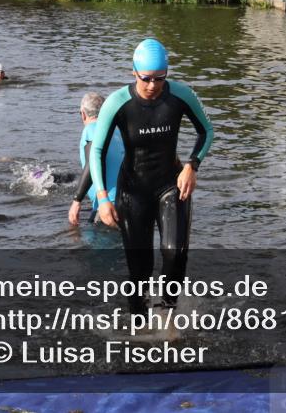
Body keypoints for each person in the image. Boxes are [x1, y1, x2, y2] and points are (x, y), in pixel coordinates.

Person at [90, 38, 213, 313]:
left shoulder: (180, 96)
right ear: (133, 72)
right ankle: (139, 324)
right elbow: (97, 150)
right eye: (146, 78)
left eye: (160, 78)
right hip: (133, 191)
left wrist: (193, 165)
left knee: (175, 254)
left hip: (172, 184)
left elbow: (206, 131)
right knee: (140, 268)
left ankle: (168, 315)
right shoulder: (118, 102)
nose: (152, 86)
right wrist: (102, 198)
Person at [69, 93, 126, 226]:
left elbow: (93, 162)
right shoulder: (117, 131)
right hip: (128, 199)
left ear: (83, 114)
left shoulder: (91, 130)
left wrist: (77, 201)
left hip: (108, 204)